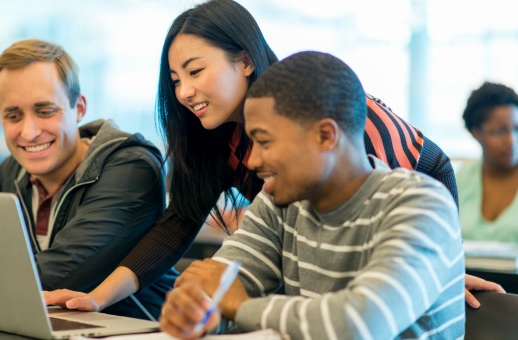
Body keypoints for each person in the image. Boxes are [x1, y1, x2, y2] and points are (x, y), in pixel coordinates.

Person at [44, 0, 502, 312]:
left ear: (244, 61)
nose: (183, 92)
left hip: (398, 224)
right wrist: (98, 298)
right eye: (175, 79)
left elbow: (421, 179)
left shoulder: (321, 114)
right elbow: (179, 225)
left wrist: (434, 263)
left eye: (196, 71)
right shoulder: (217, 135)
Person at [160, 50, 465, 339]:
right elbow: (218, 284)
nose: (252, 161)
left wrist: (240, 307)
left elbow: (359, 325)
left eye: (264, 142)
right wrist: (200, 311)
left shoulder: (421, 205)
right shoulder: (280, 201)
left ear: (324, 137)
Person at [0, 39, 176, 320]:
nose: (29, 133)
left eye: (45, 111)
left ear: (79, 108)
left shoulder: (130, 168)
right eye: (13, 115)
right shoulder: (9, 174)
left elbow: (61, 275)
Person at [457, 82, 518, 243]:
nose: (511, 140)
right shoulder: (461, 179)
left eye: (517, 129)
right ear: (477, 133)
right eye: (499, 131)